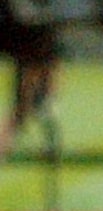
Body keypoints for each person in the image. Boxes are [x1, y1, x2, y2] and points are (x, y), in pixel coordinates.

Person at [0, 0, 59, 163]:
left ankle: (9, 143)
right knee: (24, 110)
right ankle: (5, 144)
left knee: (34, 109)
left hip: (35, 53)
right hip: (32, 50)